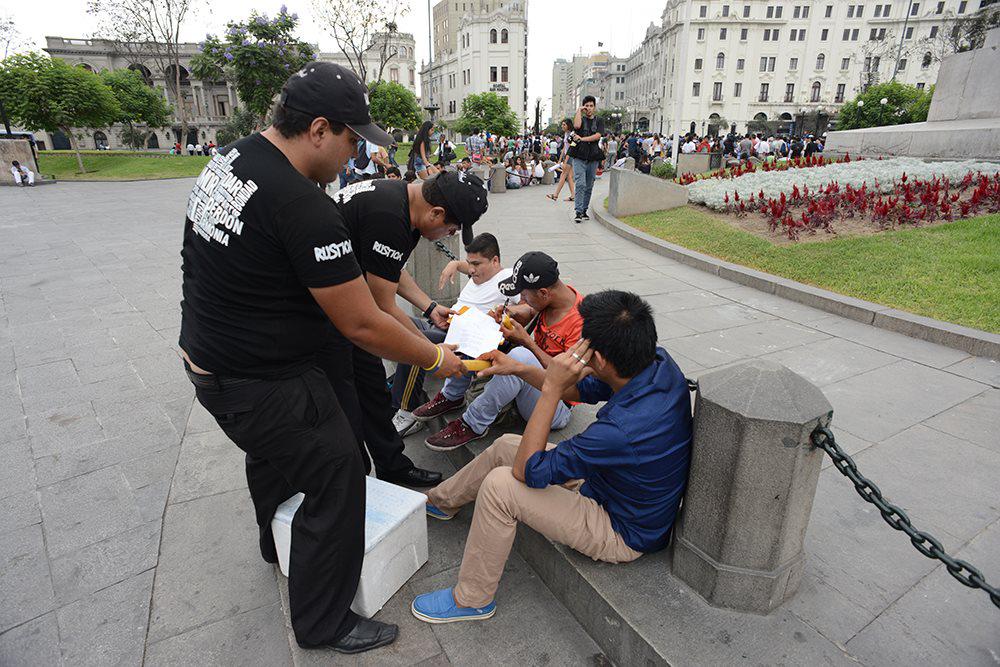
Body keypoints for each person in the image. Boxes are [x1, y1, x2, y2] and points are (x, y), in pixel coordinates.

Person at [179, 62, 464, 655]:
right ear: (316, 129)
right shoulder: (301, 204)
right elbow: (362, 321)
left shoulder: (229, 159)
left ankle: (272, 544)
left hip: (212, 360)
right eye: (352, 138)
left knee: (275, 456)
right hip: (259, 378)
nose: (357, 152)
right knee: (337, 475)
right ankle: (323, 621)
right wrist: (438, 357)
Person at [411, 290, 693, 623]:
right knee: (506, 445)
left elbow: (527, 471)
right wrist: (518, 368)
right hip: (609, 482)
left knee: (502, 487)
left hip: (620, 530)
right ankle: (441, 502)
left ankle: (472, 599)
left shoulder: (621, 430)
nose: (578, 348)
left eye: (584, 343)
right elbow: (582, 389)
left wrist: (551, 388)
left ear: (598, 359)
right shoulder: (654, 362)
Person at [319, 171, 488, 487]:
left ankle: (392, 466)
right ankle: (356, 486)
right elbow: (381, 309)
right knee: (347, 406)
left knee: (372, 389)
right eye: (450, 229)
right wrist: (433, 355)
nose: (447, 234)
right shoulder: (389, 218)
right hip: (325, 317)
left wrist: (430, 307)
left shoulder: (402, 200)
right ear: (435, 213)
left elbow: (389, 270)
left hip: (347, 304)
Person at [420, 252, 584, 450]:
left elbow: (568, 380)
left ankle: (472, 424)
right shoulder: (551, 299)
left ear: (543, 292)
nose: (521, 299)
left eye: (524, 295)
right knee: (480, 331)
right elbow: (530, 311)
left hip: (557, 405)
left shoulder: (581, 322)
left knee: (519, 355)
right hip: (535, 382)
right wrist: (508, 313)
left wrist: (527, 342)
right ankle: (451, 396)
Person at [392, 232, 519, 436]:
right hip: (443, 324)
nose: (471, 269)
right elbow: (465, 265)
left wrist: (509, 314)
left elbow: (531, 304)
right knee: (398, 323)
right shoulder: (479, 273)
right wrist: (454, 265)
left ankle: (406, 410)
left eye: (476, 264)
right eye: (469, 263)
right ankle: (399, 380)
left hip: (461, 340)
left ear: (495, 261)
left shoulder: (507, 279)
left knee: (415, 342)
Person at [568, 97, 605, 223]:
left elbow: (598, 136)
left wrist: (582, 139)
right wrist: (579, 110)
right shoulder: (581, 119)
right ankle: (578, 211)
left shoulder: (599, 121)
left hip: (593, 156)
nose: (589, 108)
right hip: (579, 155)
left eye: (591, 105)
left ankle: (584, 210)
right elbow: (577, 125)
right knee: (581, 183)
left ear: (594, 107)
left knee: (589, 185)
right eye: (586, 106)